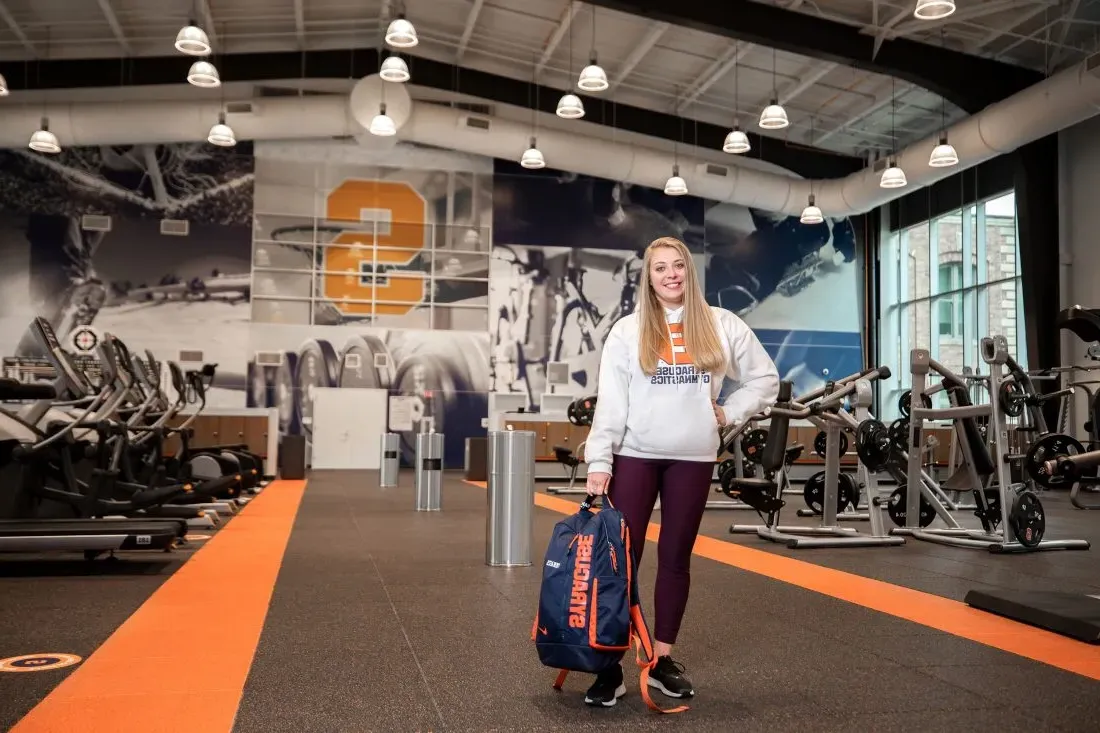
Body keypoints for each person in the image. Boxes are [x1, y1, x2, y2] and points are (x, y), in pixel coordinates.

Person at [581, 236, 780, 707]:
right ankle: (610, 666)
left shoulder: (720, 323)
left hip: (693, 458)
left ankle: (660, 661)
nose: (670, 274)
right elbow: (612, 402)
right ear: (647, 278)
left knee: (675, 557)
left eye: (678, 266)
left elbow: (764, 379)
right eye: (659, 268)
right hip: (636, 453)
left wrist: (729, 412)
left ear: (689, 272)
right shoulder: (628, 331)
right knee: (619, 562)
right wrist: (599, 460)